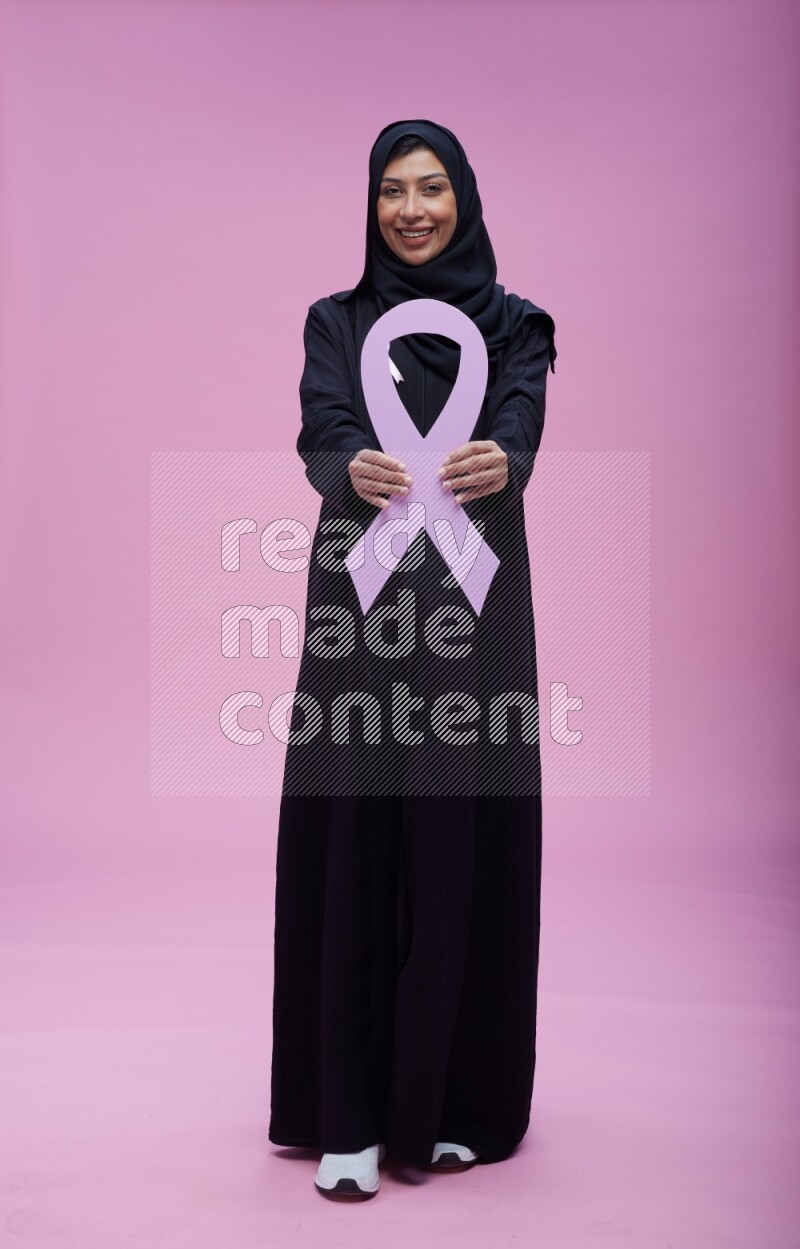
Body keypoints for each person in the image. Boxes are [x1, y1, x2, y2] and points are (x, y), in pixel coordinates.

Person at [268, 119, 557, 1200]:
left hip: (474, 609)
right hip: (365, 594)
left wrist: (506, 458)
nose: (412, 209)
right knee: (358, 823)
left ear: (464, 197)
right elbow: (320, 431)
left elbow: (520, 421)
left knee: (457, 832)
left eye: (432, 187)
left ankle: (448, 1105)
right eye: (392, 189)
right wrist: (352, 465)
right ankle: (345, 1111)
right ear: (371, 204)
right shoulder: (336, 321)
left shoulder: (518, 325)